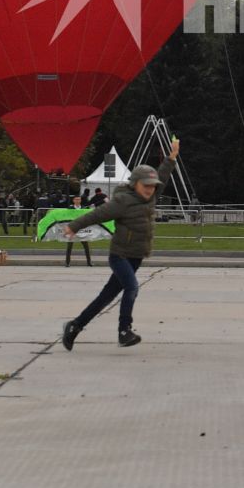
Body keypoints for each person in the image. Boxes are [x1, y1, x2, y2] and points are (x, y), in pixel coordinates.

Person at [60, 141, 179, 351]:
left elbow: (163, 175)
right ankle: (125, 331)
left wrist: (171, 158)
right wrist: (74, 226)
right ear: (135, 184)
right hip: (120, 255)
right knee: (132, 287)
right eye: (146, 185)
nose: (150, 190)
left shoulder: (150, 198)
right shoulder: (123, 201)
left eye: (153, 186)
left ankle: (75, 326)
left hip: (136, 256)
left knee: (106, 296)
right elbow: (98, 214)